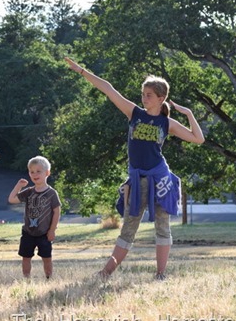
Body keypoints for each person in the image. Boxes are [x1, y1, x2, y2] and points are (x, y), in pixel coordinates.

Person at [64, 56, 205, 281]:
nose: (144, 98)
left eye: (149, 95)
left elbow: (198, 139)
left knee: (162, 227)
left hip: (160, 179)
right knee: (128, 228)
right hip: (138, 180)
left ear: (161, 98)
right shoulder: (135, 113)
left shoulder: (167, 123)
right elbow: (108, 89)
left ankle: (160, 274)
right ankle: (105, 273)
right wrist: (81, 70)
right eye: (143, 94)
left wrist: (188, 113)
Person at [8, 156, 61, 279]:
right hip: (28, 232)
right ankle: (26, 279)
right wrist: (18, 186)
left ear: (47, 173)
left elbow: (57, 212)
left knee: (46, 257)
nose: (35, 174)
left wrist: (52, 230)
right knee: (26, 257)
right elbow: (11, 199)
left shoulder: (51, 193)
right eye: (32, 172)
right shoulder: (29, 192)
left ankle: (49, 278)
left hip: (44, 232)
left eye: (38, 171)